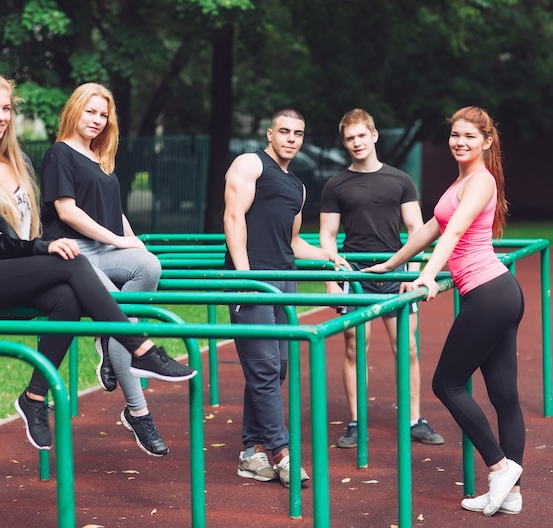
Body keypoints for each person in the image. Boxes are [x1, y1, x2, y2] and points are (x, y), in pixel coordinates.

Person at [0, 72, 196, 452]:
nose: (0, 116)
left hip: (13, 266)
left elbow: (29, 227)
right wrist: (45, 248)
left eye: (6, 108)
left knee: (69, 300)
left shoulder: (19, 160)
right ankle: (140, 348)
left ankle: (34, 399)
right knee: (72, 262)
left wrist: (47, 246)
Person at [365, 106, 524, 516]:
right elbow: (431, 229)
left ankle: (500, 467)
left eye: (469, 136)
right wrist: (392, 263)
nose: (459, 142)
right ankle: (512, 494)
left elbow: (454, 232)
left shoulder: (481, 182)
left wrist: (425, 277)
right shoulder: (462, 181)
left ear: (487, 142)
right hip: (499, 292)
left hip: (489, 293)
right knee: (504, 397)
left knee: (446, 385)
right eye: (455, 134)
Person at [40, 83, 168, 457]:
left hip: (103, 248)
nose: (96, 120)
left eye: (103, 114)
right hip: (70, 251)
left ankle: (108, 342)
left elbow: (117, 213)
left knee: (148, 264)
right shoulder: (59, 154)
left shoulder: (100, 159)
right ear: (75, 110)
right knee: (121, 324)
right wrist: (118, 239)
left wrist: (134, 242)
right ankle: (138, 411)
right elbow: (67, 212)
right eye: (90, 111)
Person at [223, 108, 341, 488]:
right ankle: (280, 452)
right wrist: (244, 276)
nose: (291, 138)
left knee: (277, 368)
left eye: (299, 134)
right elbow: (233, 218)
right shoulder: (249, 164)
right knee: (263, 367)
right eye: (285, 131)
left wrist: (327, 255)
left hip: (283, 283)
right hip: (254, 279)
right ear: (270, 134)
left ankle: (250, 451)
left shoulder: (298, 187)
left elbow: (292, 243)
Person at [319, 108, 444, 448]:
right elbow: (328, 236)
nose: (356, 143)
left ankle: (415, 420)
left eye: (362, 135)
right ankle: (356, 422)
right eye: (350, 138)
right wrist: (331, 278)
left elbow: (416, 229)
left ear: (374, 136)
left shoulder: (401, 180)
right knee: (354, 349)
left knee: (407, 348)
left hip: (395, 272)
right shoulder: (335, 185)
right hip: (355, 276)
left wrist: (415, 274)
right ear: (345, 144)